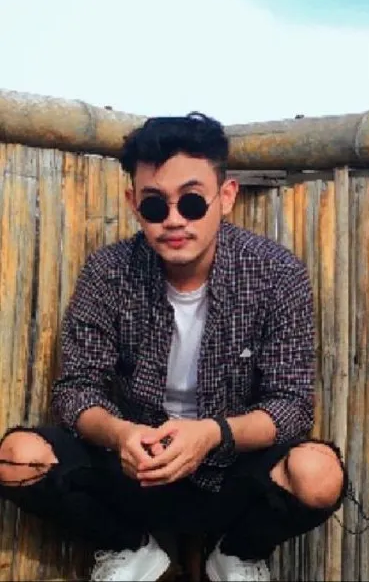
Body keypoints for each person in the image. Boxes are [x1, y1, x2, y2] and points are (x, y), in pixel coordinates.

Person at [0, 113, 347, 582]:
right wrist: (121, 435)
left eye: (191, 201)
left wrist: (211, 434)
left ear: (225, 198)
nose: (175, 221)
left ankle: (238, 554)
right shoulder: (109, 270)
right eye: (156, 206)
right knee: (16, 458)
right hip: (131, 468)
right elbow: (77, 389)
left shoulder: (276, 274)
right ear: (133, 204)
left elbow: (290, 406)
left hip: (229, 471)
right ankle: (129, 548)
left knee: (319, 475)